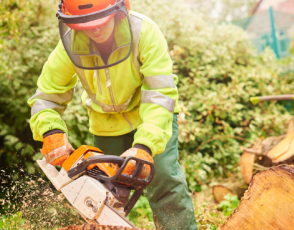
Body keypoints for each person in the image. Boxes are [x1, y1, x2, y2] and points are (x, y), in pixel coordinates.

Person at [28, 0, 198, 229]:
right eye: (84, 23)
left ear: (119, 11)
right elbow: (46, 96)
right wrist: (51, 130)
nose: (94, 28)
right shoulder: (70, 42)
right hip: (106, 125)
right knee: (103, 193)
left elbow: (160, 94)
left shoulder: (144, 31)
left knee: (165, 179)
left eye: (100, 21)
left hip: (151, 120)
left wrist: (146, 147)